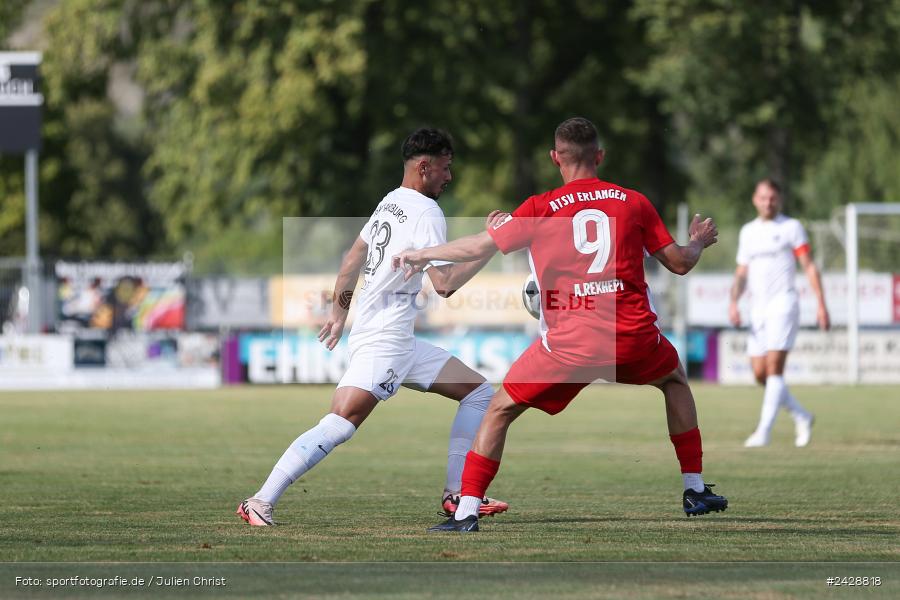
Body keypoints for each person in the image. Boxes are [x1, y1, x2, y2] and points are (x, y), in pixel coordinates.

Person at [394, 117, 727, 532]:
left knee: (499, 410)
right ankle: (694, 489)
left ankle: (466, 513)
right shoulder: (633, 202)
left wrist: (423, 253)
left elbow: (478, 246)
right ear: (599, 156)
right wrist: (698, 241)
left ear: (555, 158)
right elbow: (679, 263)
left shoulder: (541, 208)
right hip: (631, 336)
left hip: (569, 345)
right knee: (674, 378)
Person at [237, 128, 508, 526]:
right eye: (446, 168)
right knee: (341, 422)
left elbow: (352, 259)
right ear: (424, 167)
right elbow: (445, 284)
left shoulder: (390, 201)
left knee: (479, 392)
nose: (449, 177)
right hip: (386, 342)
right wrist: (494, 243)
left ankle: (457, 494)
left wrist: (339, 313)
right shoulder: (426, 211)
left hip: (396, 338)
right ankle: (260, 500)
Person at [729, 179, 829, 448]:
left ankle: (763, 431)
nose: (768, 203)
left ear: (780, 200)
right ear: (755, 199)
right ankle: (801, 415)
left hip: (783, 303)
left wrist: (821, 303)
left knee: (774, 368)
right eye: (763, 198)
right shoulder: (748, 232)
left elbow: (808, 266)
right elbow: (741, 272)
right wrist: (733, 302)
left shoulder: (791, 227)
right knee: (760, 373)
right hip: (757, 309)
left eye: (772, 198)